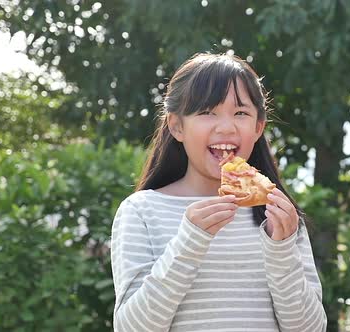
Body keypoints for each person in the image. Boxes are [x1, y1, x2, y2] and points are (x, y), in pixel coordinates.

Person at [110, 53, 327, 331]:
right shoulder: (141, 211)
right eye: (206, 112)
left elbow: (310, 328)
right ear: (177, 126)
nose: (226, 127)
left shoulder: (279, 218)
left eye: (241, 113)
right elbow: (132, 328)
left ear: (258, 127)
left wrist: (281, 250)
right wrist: (189, 242)